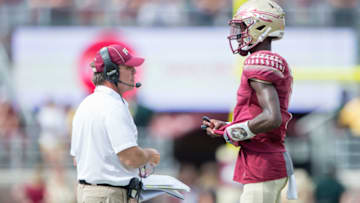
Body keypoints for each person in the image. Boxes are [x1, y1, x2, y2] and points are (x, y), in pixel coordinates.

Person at [202, 1, 297, 203]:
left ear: (261, 26)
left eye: (244, 27)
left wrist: (234, 131)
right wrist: (228, 127)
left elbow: (271, 118)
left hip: (262, 163)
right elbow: (260, 117)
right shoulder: (265, 59)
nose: (239, 33)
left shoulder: (258, 61)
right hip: (266, 159)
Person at [71, 44, 160, 203]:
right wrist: (149, 154)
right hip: (108, 196)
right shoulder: (113, 106)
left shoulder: (85, 104)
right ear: (111, 71)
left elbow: (76, 159)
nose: (134, 72)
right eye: (128, 67)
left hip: (89, 192)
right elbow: (130, 158)